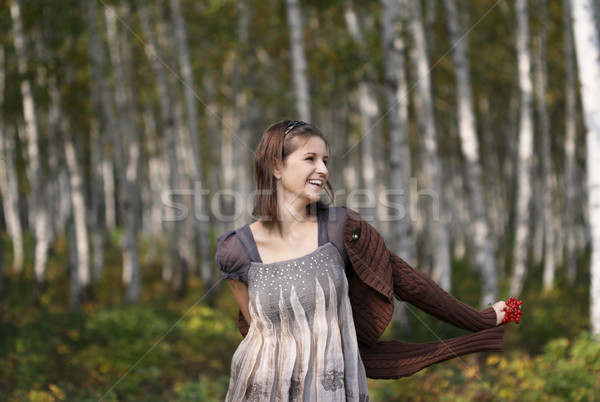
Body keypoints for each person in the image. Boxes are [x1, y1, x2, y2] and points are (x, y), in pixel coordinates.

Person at [215, 119, 507, 401]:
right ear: (276, 166)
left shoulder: (341, 228)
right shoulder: (237, 250)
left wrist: (480, 319)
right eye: (311, 159)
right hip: (259, 388)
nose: (323, 169)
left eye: (325, 160)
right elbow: (256, 331)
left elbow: (408, 282)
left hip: (328, 389)